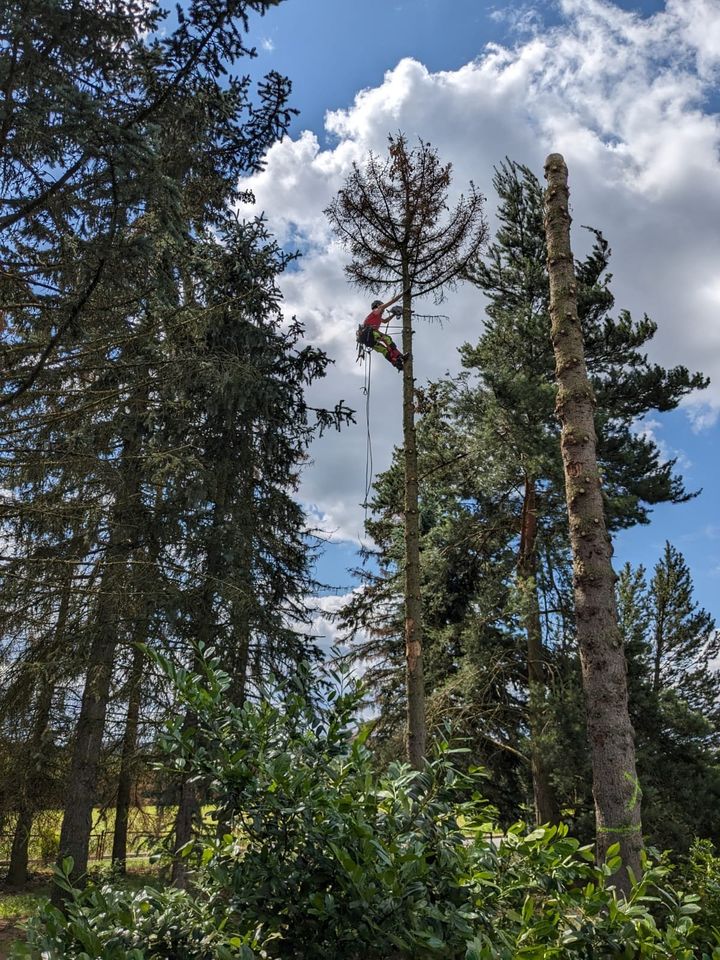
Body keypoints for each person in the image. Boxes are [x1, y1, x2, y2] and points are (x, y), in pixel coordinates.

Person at [358, 291, 408, 371]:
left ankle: (396, 363)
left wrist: (393, 314)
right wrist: (402, 294)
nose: (383, 310)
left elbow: (385, 321)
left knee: (383, 350)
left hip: (367, 340)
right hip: (370, 333)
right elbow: (391, 302)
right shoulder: (375, 312)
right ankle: (399, 356)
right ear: (378, 305)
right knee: (387, 339)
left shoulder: (376, 317)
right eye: (381, 307)